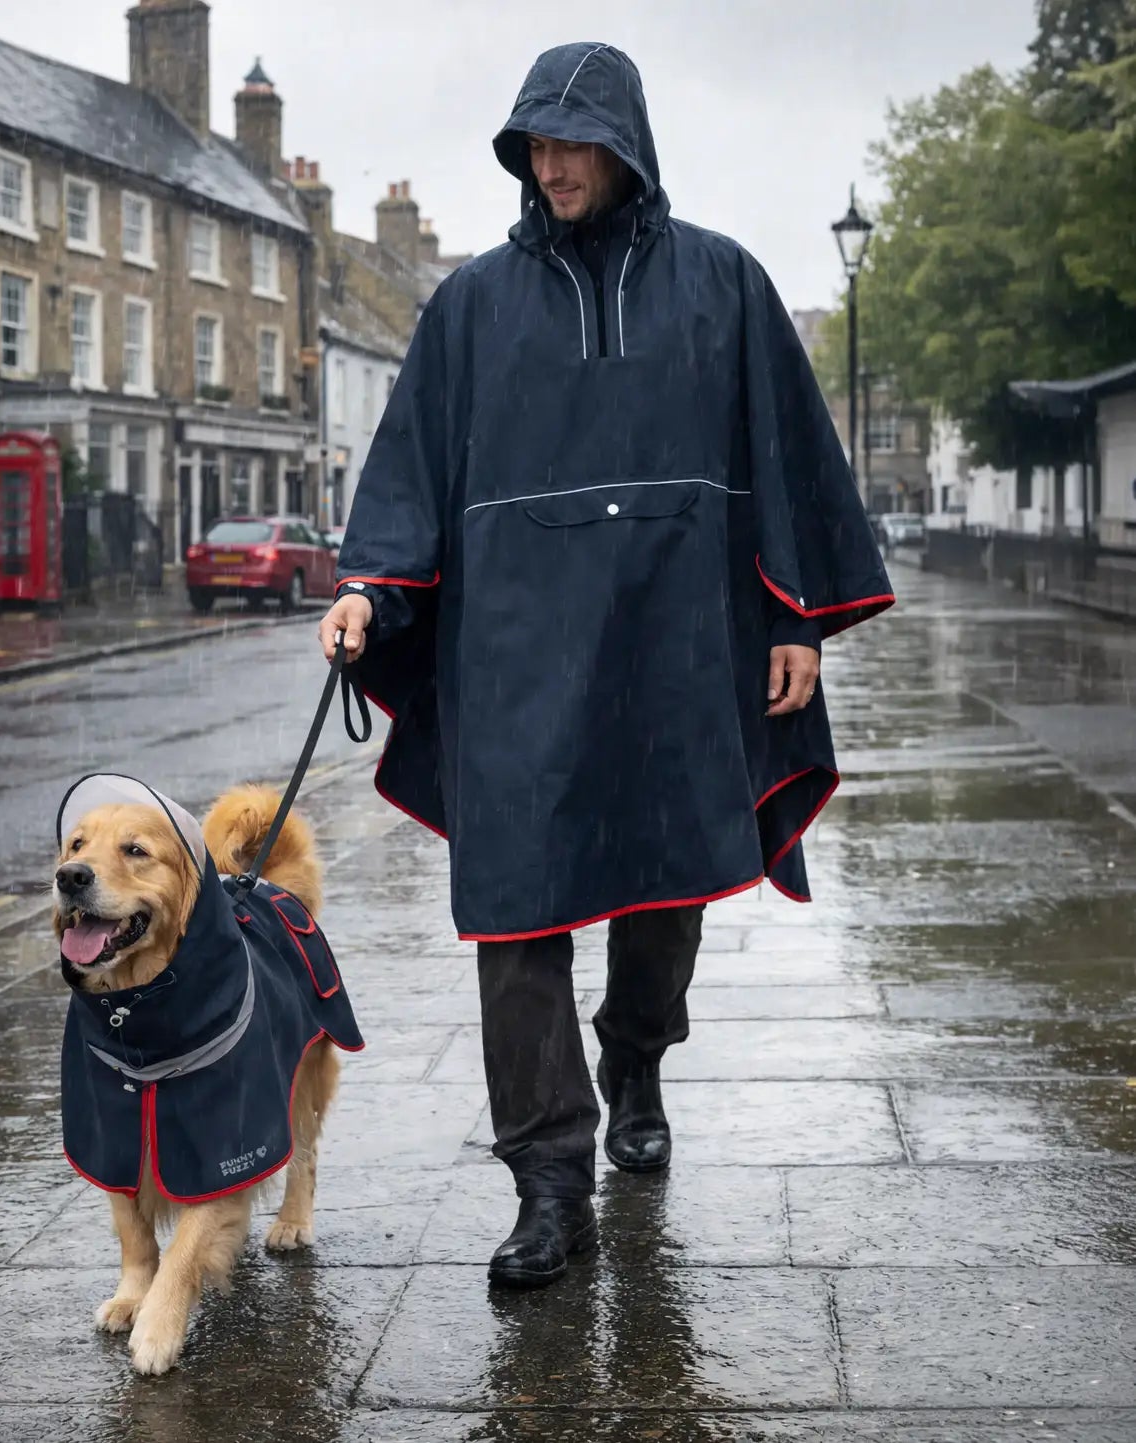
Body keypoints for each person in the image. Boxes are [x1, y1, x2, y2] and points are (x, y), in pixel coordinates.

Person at [318, 42, 893, 1289]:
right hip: (515, 658)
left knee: (668, 886)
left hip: (676, 640)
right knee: (516, 911)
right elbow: (410, 461)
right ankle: (545, 1186)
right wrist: (369, 587)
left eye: (573, 142)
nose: (552, 165)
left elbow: (783, 452)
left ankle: (634, 1055)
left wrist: (792, 622)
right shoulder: (469, 305)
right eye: (536, 143)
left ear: (625, 145)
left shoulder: (722, 283)